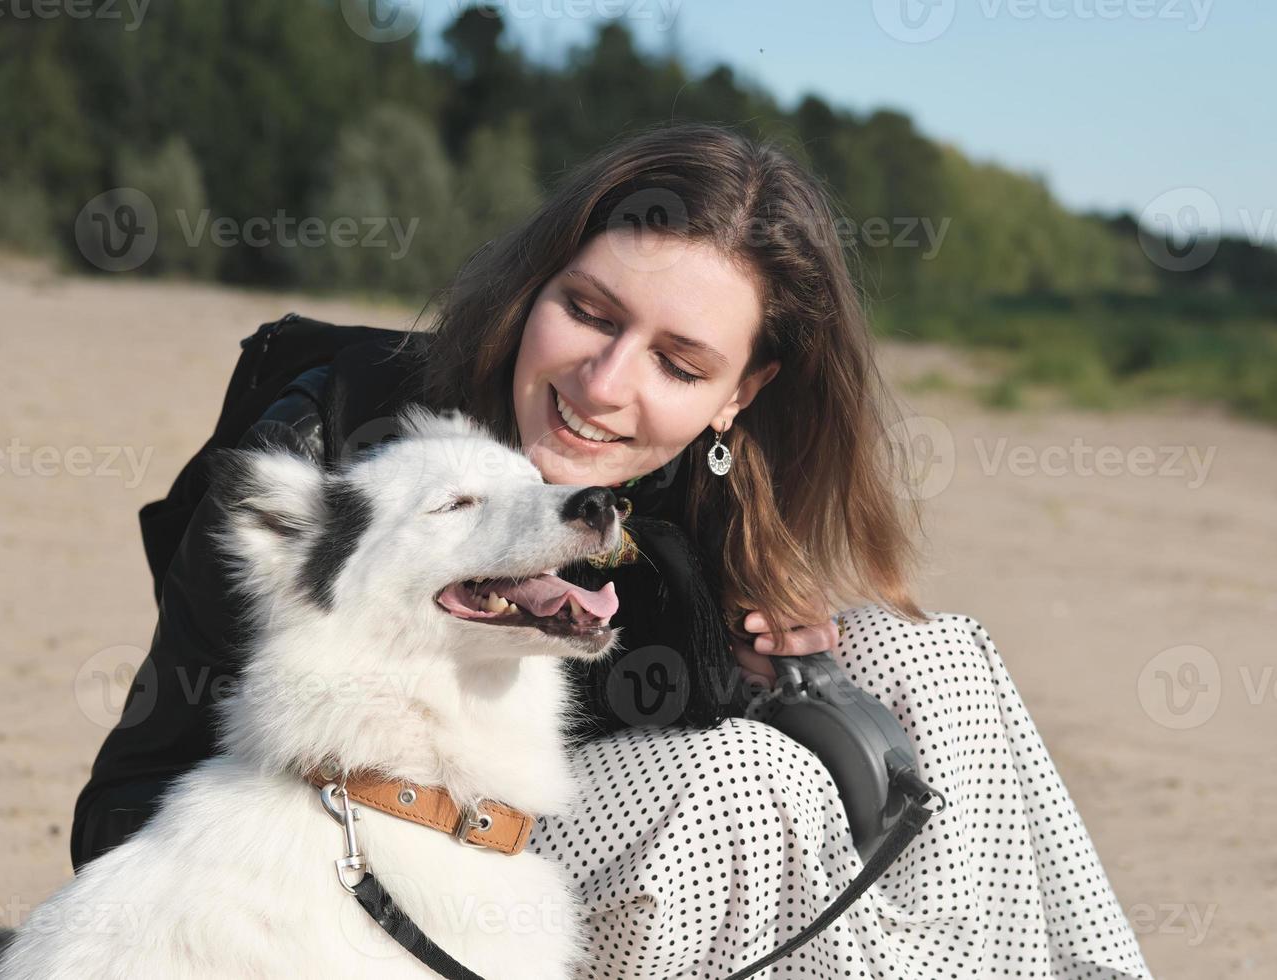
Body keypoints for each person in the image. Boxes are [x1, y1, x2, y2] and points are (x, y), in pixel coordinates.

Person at [70, 122, 1153, 978]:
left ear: (740, 394)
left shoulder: (704, 502)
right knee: (743, 781)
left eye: (679, 365)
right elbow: (134, 808)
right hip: (337, 884)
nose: (604, 384)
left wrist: (748, 659)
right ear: (532, 283)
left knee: (929, 658)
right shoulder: (333, 455)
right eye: (588, 312)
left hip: (579, 863)